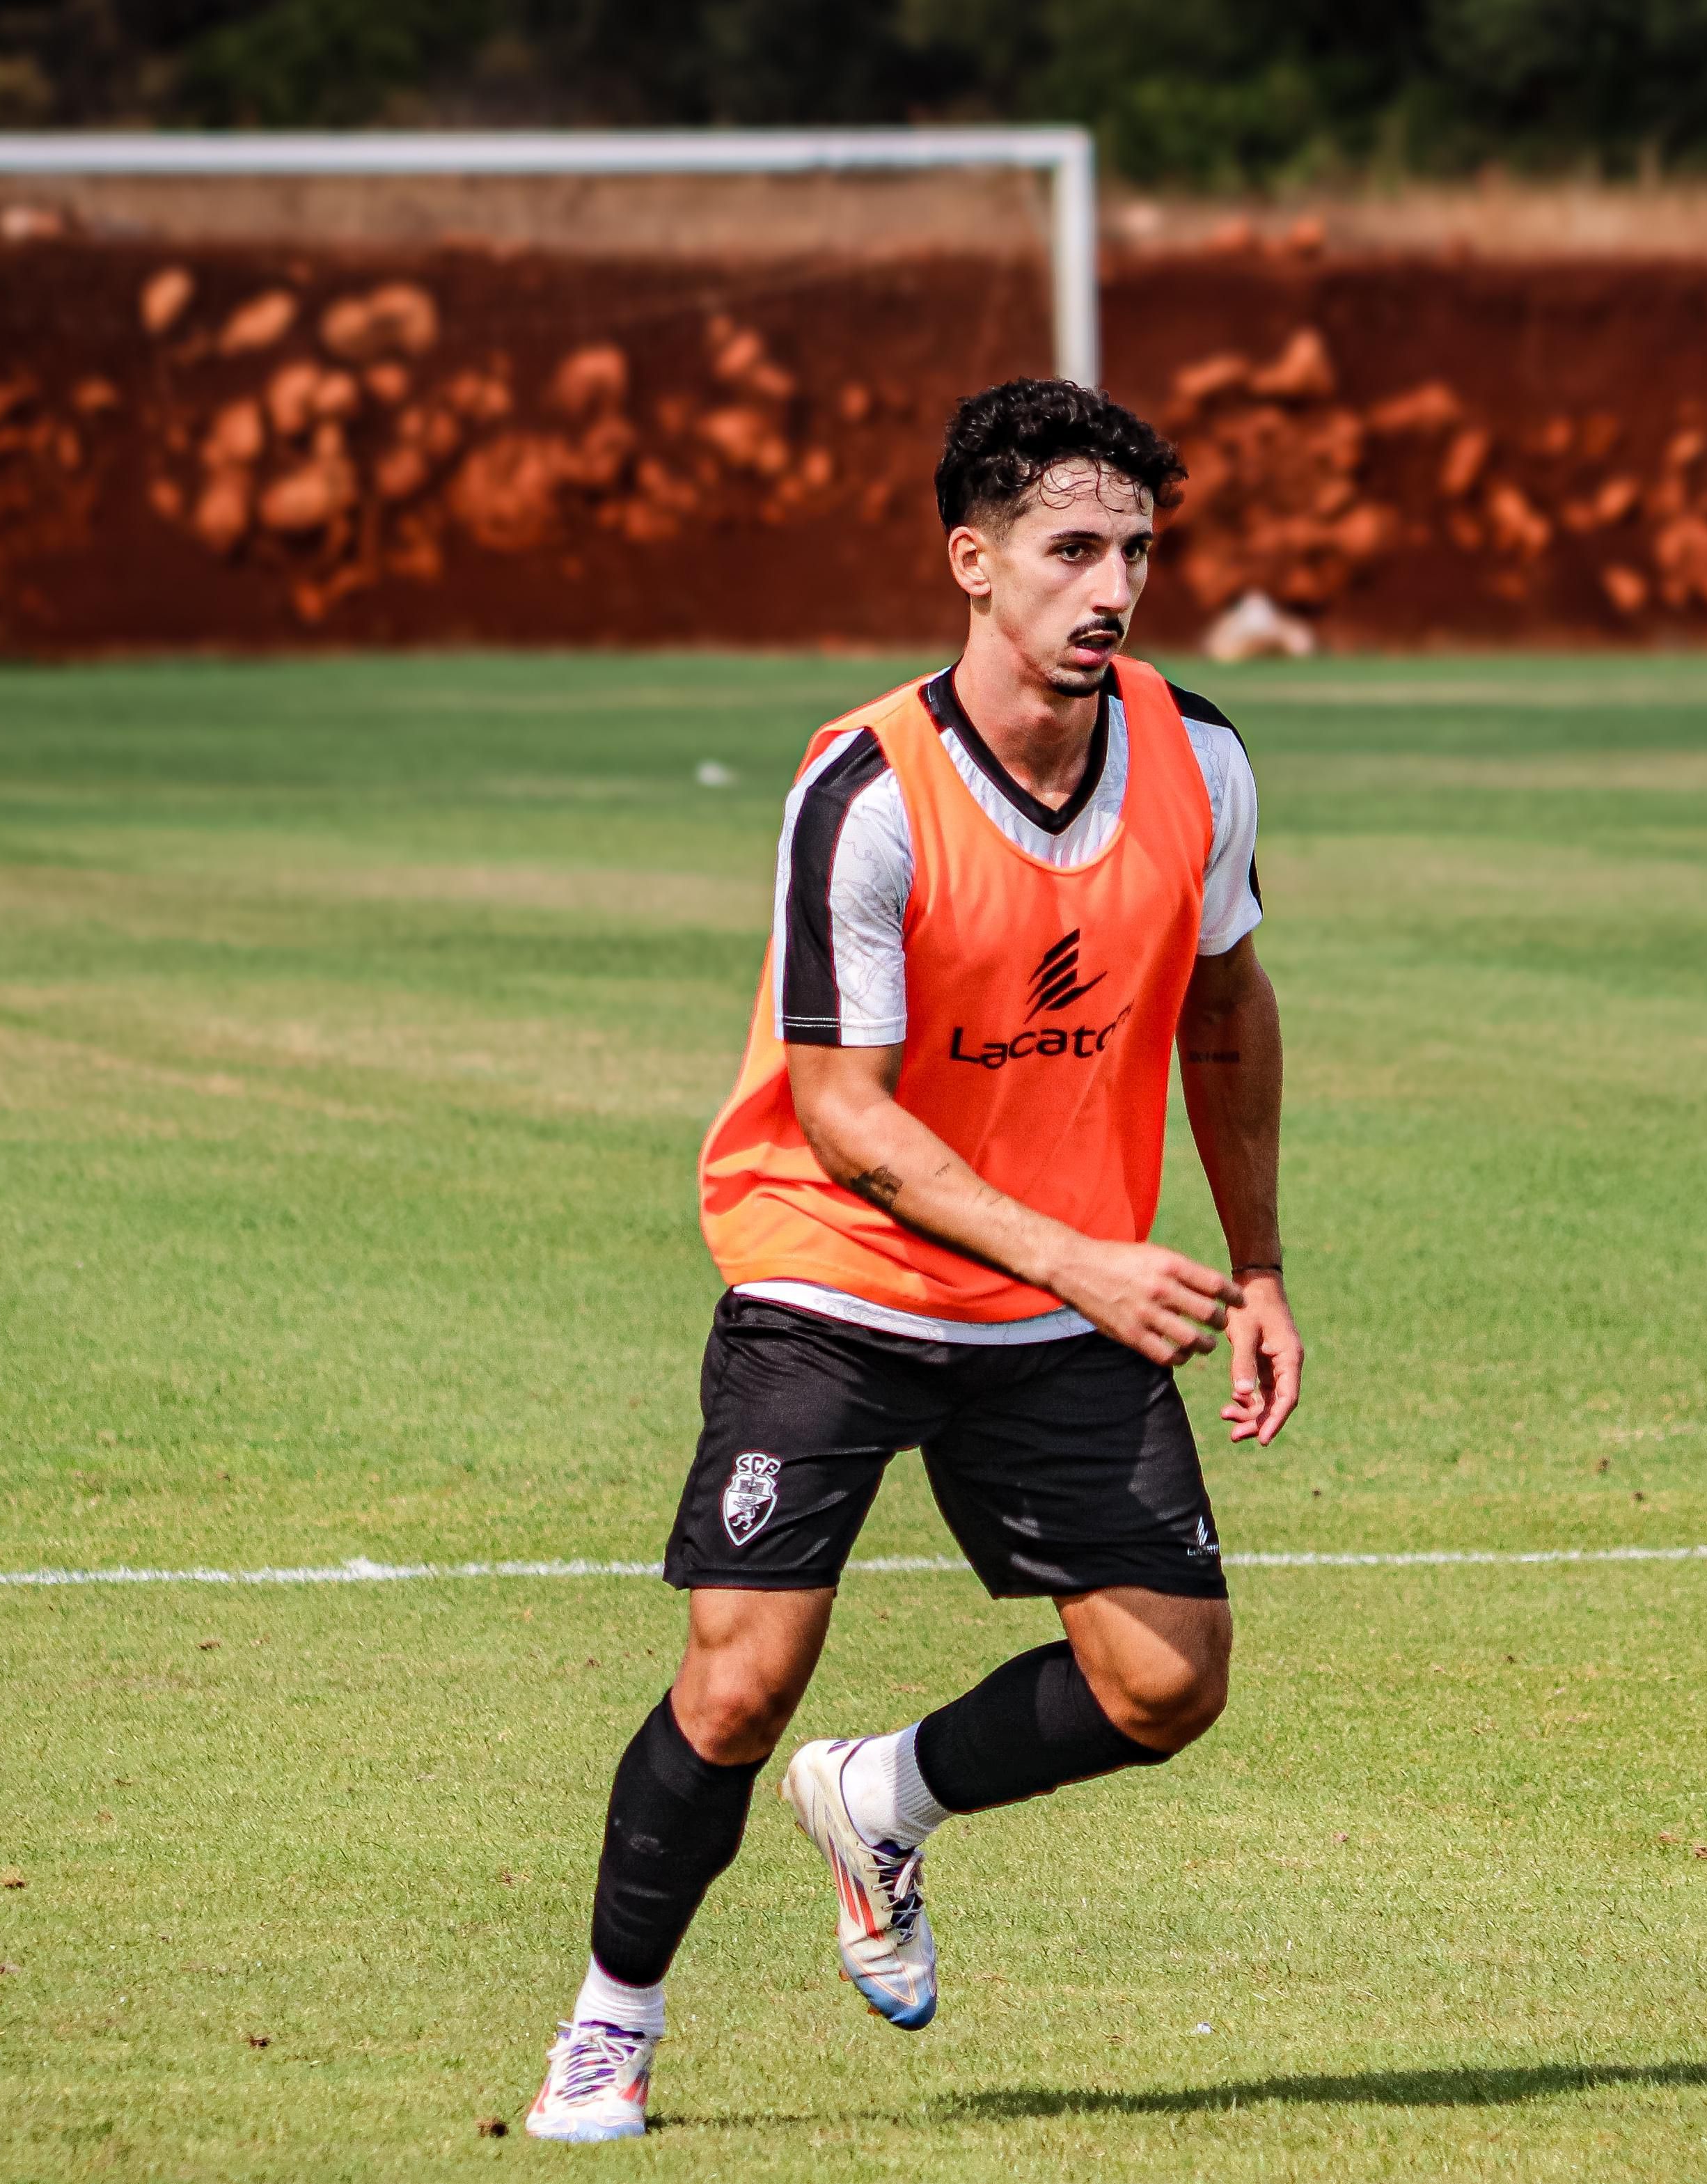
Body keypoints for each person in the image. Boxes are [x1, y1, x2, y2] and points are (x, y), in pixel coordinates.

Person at [524, 378, 1305, 2142]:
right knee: (740, 1679)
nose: (1112, 588)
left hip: (1053, 1291)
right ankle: (609, 2027)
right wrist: (1088, 1263)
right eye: (1070, 550)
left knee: (1168, 1680)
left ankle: (883, 1800)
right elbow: (845, 1114)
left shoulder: (1200, 758)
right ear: (972, 561)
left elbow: (1227, 1007)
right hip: (834, 1273)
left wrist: (1254, 1267)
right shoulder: (868, 788)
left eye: (1136, 552)